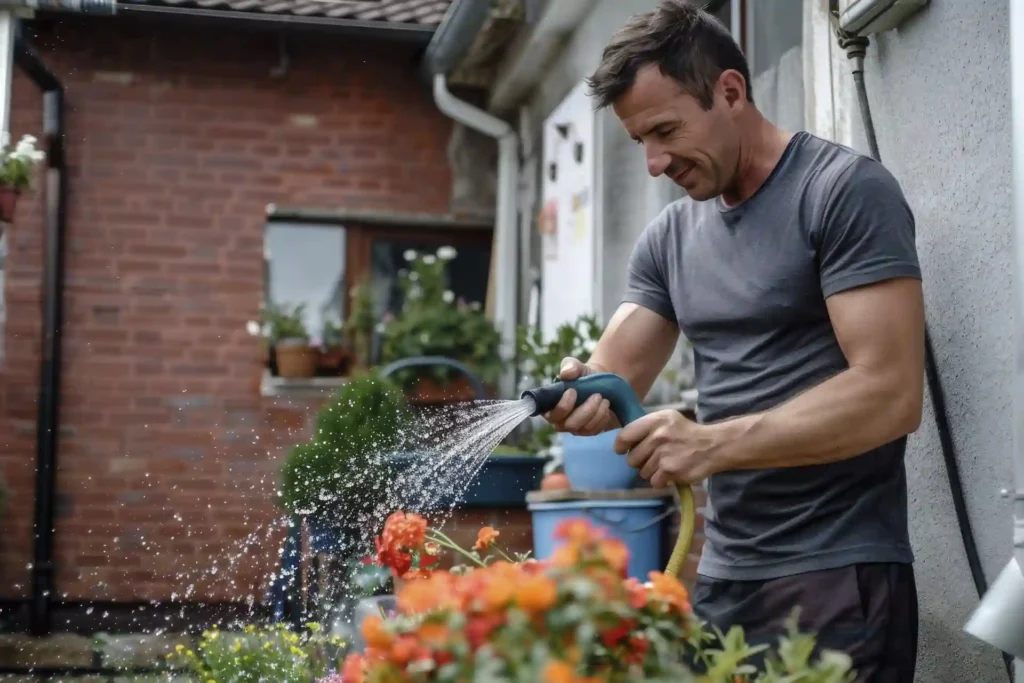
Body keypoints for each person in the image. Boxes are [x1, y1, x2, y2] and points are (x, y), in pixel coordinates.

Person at [543, 2, 925, 680]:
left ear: (730, 91)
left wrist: (709, 442)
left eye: (665, 130)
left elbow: (891, 394)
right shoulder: (670, 239)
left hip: (838, 576)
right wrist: (581, 391)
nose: (656, 163)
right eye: (640, 143)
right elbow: (612, 371)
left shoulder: (841, 193)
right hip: (724, 576)